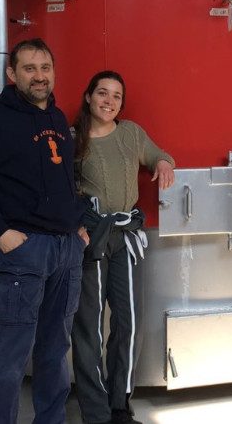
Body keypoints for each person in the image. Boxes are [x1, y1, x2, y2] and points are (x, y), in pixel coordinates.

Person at [0, 38, 89, 424]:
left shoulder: (58, 120)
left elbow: (63, 179)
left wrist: (76, 223)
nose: (39, 76)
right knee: (11, 355)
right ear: (12, 74)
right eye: (29, 69)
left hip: (65, 252)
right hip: (22, 252)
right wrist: (0, 233)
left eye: (45, 68)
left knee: (53, 350)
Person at [71, 70, 175, 424]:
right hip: (91, 239)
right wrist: (75, 225)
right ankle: (96, 412)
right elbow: (59, 190)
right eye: (102, 93)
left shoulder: (131, 133)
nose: (109, 101)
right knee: (89, 329)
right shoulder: (74, 139)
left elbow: (159, 154)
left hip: (126, 237)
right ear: (88, 96)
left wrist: (162, 161)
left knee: (129, 323)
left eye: (116, 96)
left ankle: (120, 405)